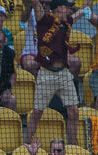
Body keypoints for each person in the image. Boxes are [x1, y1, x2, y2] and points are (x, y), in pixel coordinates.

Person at [25, 0, 80, 147]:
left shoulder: (66, 22)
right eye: (66, 7)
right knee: (37, 113)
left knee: (74, 112)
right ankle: (27, 145)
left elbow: (83, 10)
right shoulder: (44, 19)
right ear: (58, 8)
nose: (69, 10)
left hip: (64, 73)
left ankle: (72, 146)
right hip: (46, 73)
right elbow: (35, 3)